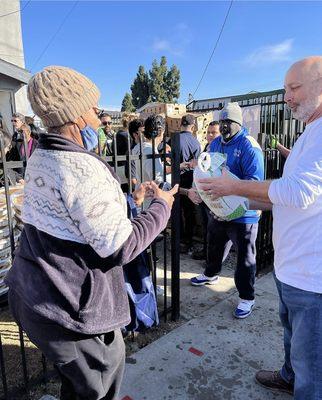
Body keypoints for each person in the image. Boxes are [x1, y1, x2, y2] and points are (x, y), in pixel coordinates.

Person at [5, 65, 178, 400]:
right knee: (99, 385)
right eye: (95, 110)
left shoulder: (42, 154)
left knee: (87, 378)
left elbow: (72, 213)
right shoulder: (83, 168)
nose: (100, 120)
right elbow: (123, 246)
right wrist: (162, 207)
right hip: (65, 309)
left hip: (31, 292)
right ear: (76, 117)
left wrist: (129, 200)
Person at [196, 56, 322, 399]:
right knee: (292, 339)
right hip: (291, 267)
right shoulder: (311, 131)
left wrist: (233, 189)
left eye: (295, 88)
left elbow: (296, 192)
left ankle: (301, 385)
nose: (287, 97)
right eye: (285, 89)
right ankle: (289, 377)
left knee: (313, 364)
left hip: (312, 275)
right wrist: (220, 200)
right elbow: (284, 196)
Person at [191, 103, 264, 319]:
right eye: (221, 122)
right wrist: (198, 190)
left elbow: (255, 183)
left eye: (228, 123)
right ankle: (211, 274)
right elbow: (205, 171)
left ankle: (246, 297)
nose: (223, 127)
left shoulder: (250, 146)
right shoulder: (214, 144)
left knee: (245, 258)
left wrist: (230, 190)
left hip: (244, 213)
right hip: (219, 209)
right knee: (214, 244)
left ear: (238, 124)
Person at [192, 121, 221, 260]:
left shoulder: (219, 150)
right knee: (205, 226)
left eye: (213, 132)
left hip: (213, 194)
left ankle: (211, 258)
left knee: (213, 229)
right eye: (208, 132)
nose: (209, 135)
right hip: (203, 194)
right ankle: (206, 253)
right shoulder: (207, 147)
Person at [179, 114, 201, 253]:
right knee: (189, 212)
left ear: (180, 124)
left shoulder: (172, 140)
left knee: (175, 210)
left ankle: (179, 239)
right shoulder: (196, 142)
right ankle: (188, 241)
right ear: (193, 127)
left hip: (174, 179)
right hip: (190, 179)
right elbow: (198, 164)